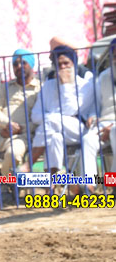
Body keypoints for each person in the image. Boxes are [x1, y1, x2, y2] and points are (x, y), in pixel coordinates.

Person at [29, 45, 95, 179]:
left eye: (66, 63)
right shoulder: (48, 86)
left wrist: (65, 85)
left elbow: (71, 110)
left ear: (74, 64)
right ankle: (51, 183)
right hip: (52, 130)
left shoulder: (85, 86)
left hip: (79, 129)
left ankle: (29, 163)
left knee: (52, 121)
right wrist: (53, 117)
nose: (63, 67)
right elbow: (35, 116)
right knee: (55, 137)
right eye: (59, 64)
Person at [82, 37, 116, 175]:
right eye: (115, 56)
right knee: (88, 140)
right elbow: (96, 105)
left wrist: (112, 128)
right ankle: (89, 183)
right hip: (104, 123)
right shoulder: (103, 77)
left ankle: (113, 183)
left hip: (114, 127)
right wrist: (92, 116)